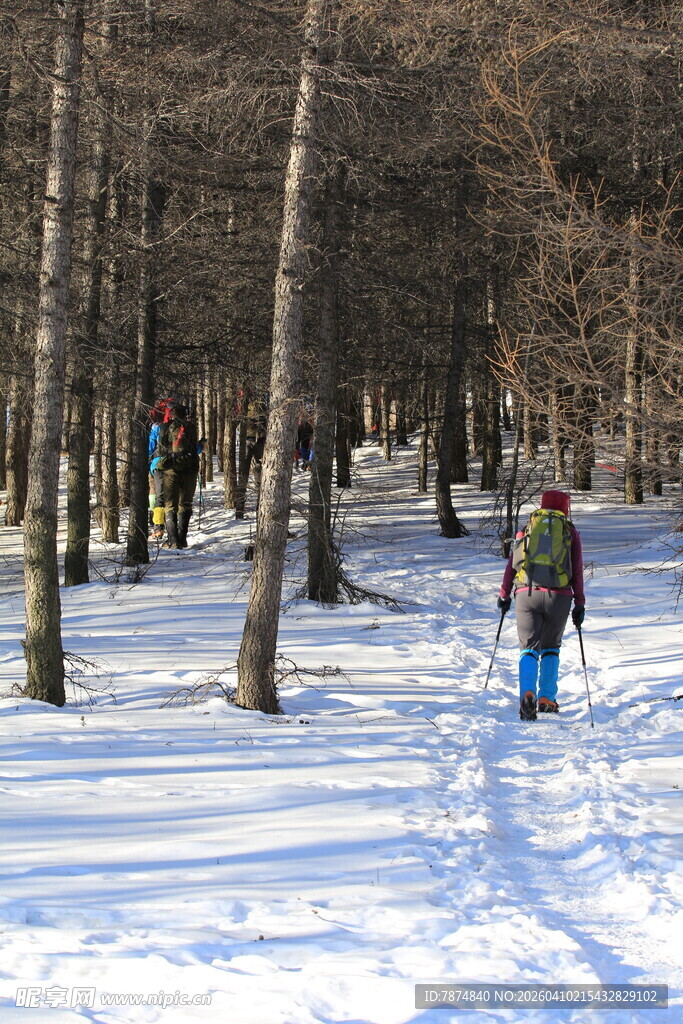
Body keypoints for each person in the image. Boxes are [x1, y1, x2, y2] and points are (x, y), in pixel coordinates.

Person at [498, 490, 585, 720]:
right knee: (550, 647)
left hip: (527, 593)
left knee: (528, 647)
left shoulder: (527, 530)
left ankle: (528, 693)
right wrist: (580, 602)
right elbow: (577, 571)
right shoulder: (570, 532)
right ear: (565, 509)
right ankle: (547, 698)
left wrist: (504, 595)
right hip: (560, 597)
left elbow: (512, 566)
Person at [155, 403, 200, 549]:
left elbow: (161, 450)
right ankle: (182, 539)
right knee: (185, 504)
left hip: (170, 470)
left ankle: (172, 540)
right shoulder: (191, 427)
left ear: (172, 414)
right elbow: (195, 448)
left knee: (170, 505)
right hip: (190, 469)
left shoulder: (164, 427)